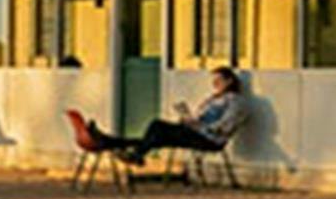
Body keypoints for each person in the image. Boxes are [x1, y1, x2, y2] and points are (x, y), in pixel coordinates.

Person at [96, 68, 247, 164]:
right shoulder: (213, 99)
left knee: (157, 128)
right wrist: (189, 120)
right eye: (214, 81)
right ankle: (118, 145)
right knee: (154, 136)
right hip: (195, 132)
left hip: (209, 139)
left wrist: (200, 126)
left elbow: (225, 127)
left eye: (219, 81)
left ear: (229, 81)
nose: (215, 84)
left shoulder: (236, 102)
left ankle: (112, 143)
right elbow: (199, 117)